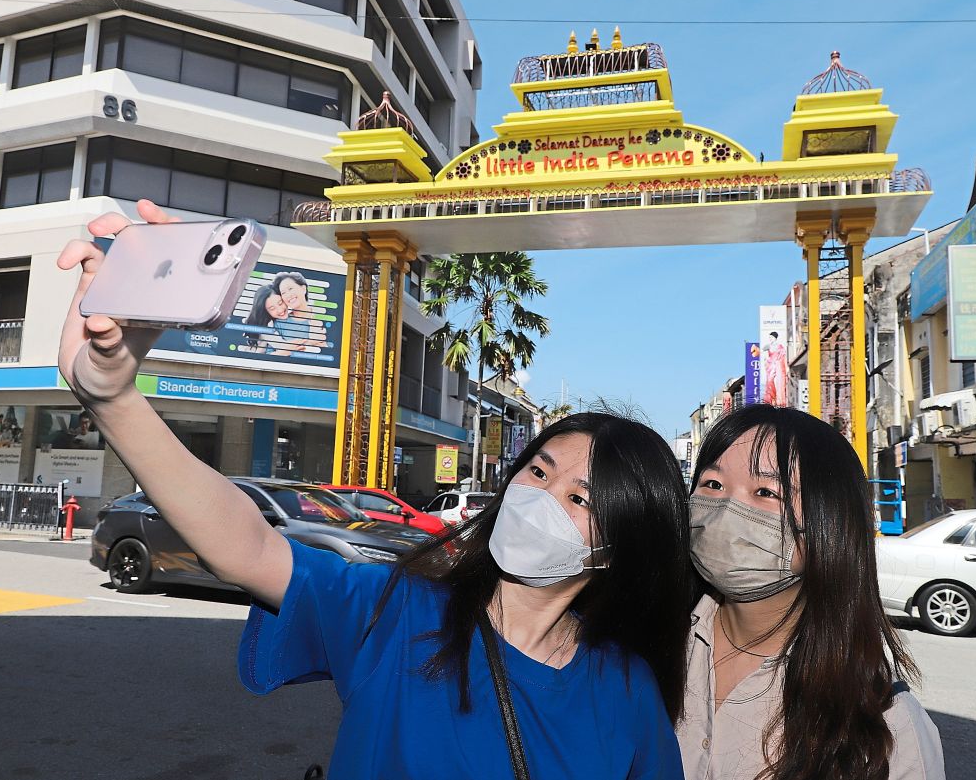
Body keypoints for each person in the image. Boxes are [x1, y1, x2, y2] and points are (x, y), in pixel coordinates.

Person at [57, 200, 693, 778]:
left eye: (580, 499)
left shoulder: (627, 690)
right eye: (539, 471)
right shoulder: (397, 614)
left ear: (616, 547)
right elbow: (247, 544)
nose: (541, 497)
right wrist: (113, 397)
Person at [680, 404, 944, 780]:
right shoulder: (642, 653)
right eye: (713, 484)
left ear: (829, 523)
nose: (726, 509)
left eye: (766, 492)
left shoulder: (886, 727)